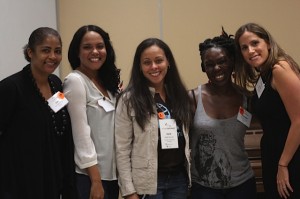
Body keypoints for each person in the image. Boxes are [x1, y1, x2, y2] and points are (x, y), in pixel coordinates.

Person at [0, 27, 77, 199]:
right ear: (30, 52)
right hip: (19, 184)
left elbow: (60, 123)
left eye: (57, 51)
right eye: (45, 50)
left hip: (51, 179)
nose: (52, 56)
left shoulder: (56, 84)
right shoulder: (11, 88)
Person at [115, 38, 193, 199]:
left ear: (168, 62)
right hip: (147, 182)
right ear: (140, 67)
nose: (154, 67)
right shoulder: (128, 99)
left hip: (179, 179)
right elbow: (122, 149)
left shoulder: (179, 95)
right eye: (147, 62)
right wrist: (129, 191)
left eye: (159, 61)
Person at [234, 22, 300, 199]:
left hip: (290, 157)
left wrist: (283, 165)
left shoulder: (280, 69)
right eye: (244, 47)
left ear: (268, 43)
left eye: (255, 43)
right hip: (274, 154)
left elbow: (299, 120)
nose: (251, 51)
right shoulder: (264, 75)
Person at [189, 28, 256, 199]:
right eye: (210, 64)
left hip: (242, 185)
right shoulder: (192, 98)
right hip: (204, 188)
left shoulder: (247, 98)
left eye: (222, 61)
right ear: (203, 67)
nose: (217, 68)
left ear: (232, 62)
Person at [63, 25, 121, 199]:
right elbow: (81, 135)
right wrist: (95, 181)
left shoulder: (107, 83)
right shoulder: (75, 81)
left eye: (100, 46)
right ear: (77, 52)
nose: (95, 51)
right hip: (89, 176)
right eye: (87, 47)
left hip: (111, 176)